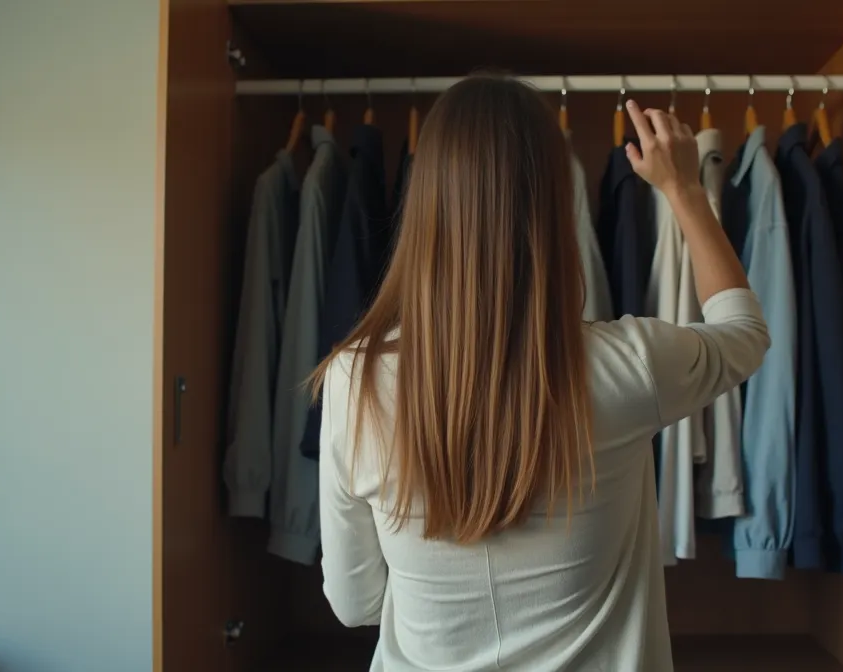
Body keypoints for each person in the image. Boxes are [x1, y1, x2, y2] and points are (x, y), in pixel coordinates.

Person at [309, 74, 770, 672]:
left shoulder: (354, 384)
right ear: (556, 208)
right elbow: (744, 335)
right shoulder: (629, 366)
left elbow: (355, 604)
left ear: (424, 206)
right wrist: (682, 189)